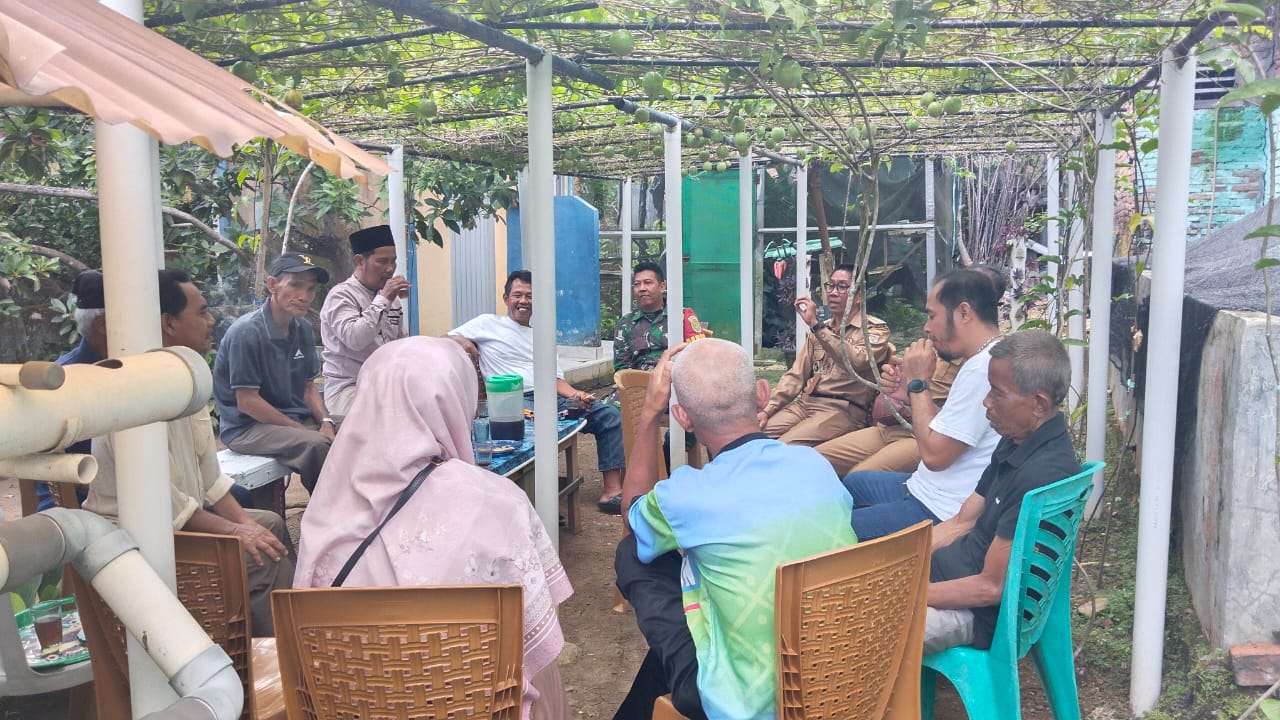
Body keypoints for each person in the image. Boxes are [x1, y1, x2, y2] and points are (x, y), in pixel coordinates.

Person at [293, 336, 573, 720]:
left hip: (353, 703)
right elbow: (534, 633)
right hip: (473, 703)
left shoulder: (324, 507)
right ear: (455, 401)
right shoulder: (497, 502)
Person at [614, 339, 858, 720]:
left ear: (682, 417)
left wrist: (648, 414)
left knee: (633, 551)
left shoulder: (687, 496)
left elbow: (631, 515)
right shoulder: (817, 466)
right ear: (762, 393)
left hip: (746, 703)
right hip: (835, 674)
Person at [86, 269, 294, 636]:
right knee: (264, 555)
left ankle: (275, 636)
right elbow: (169, 508)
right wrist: (238, 531)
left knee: (268, 527)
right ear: (168, 323)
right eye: (201, 312)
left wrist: (245, 526)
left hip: (177, 528)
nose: (211, 321)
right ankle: (274, 655)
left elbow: (210, 481)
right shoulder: (133, 393)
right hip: (138, 545)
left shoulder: (184, 380)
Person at [924, 329, 1081, 654]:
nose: (986, 402)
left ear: (1038, 404)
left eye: (997, 393)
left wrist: (909, 595)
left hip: (976, 613)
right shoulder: (1016, 440)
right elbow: (963, 522)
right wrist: (901, 560)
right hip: (951, 578)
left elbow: (991, 587)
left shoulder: (1040, 475)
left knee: (866, 630)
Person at [843, 267, 1003, 541]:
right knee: (852, 484)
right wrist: (909, 394)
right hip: (924, 488)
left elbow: (935, 457)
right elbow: (953, 430)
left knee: (836, 529)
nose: (927, 327)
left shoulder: (982, 371)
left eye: (932, 316)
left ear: (964, 313)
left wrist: (918, 384)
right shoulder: (982, 359)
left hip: (941, 509)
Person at [448, 270, 627, 514]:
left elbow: (555, 380)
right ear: (506, 298)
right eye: (517, 295)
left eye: (530, 296)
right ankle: (536, 504)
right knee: (536, 432)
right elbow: (444, 339)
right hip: (513, 402)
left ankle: (612, 492)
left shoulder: (542, 335)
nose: (523, 301)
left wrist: (577, 395)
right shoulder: (487, 324)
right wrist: (463, 341)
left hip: (551, 399)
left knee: (608, 415)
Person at [213, 252, 334, 494]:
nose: (304, 296)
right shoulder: (246, 332)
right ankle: (331, 511)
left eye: (311, 289)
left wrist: (326, 422)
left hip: (291, 419)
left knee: (355, 429)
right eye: (296, 285)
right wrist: (300, 430)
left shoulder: (303, 328)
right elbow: (248, 402)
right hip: (246, 428)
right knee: (317, 445)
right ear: (272, 285)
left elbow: (308, 388)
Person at [757, 264, 893, 446]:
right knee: (752, 436)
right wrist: (767, 410)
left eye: (842, 287)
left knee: (785, 447)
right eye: (831, 286)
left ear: (859, 295)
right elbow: (795, 377)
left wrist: (816, 325)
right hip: (806, 404)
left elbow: (857, 362)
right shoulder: (821, 330)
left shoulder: (874, 330)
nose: (833, 292)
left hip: (842, 410)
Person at [319, 224, 410, 416]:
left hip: (384, 386)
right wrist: (383, 299)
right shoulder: (341, 296)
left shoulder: (391, 301)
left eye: (393, 261)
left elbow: (401, 345)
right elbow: (355, 339)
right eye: (382, 262)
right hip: (348, 389)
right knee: (389, 415)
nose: (390, 269)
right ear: (360, 261)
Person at [814, 358, 962, 476]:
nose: (928, 330)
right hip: (891, 427)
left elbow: (958, 425)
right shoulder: (931, 348)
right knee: (813, 461)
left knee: (858, 479)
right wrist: (896, 381)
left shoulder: (972, 364)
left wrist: (916, 395)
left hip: (923, 438)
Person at [36, 270, 107, 510]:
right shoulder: (63, 381)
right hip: (77, 513)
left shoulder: (133, 369)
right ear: (103, 324)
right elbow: (50, 478)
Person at [613, 261, 710, 372]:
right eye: (637, 284)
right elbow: (622, 368)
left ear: (662, 286)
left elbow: (699, 357)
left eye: (648, 282)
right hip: (639, 380)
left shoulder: (682, 317)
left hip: (675, 378)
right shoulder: (625, 324)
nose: (642, 288)